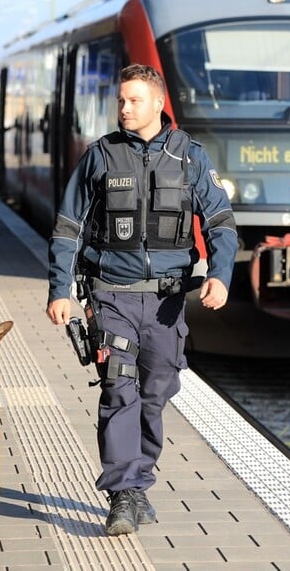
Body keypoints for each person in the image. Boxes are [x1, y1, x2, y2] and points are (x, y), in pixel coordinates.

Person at [45, 64, 238, 536]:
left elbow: (220, 222)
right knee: (118, 389)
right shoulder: (100, 156)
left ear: (157, 103)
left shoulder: (190, 157)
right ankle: (123, 492)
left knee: (155, 394)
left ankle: (138, 481)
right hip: (112, 296)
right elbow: (68, 226)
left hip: (168, 302)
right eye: (121, 101)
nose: (124, 109)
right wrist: (60, 290)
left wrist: (220, 275)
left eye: (133, 100)